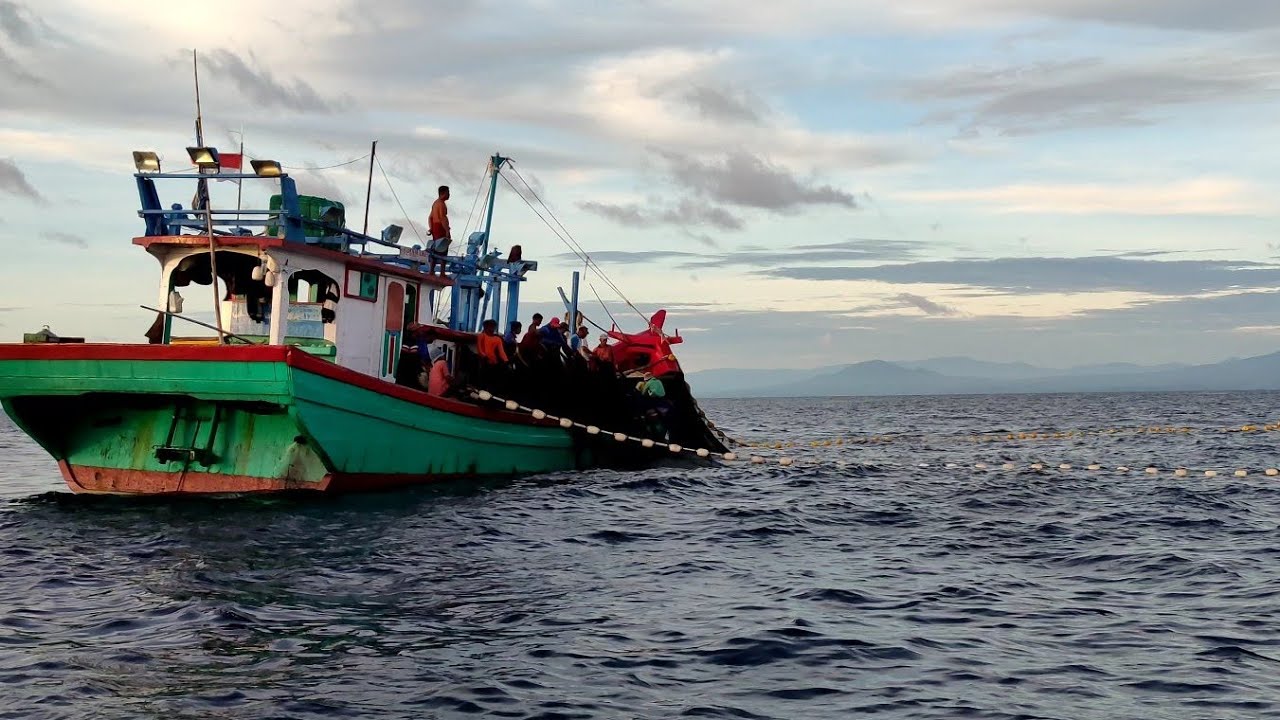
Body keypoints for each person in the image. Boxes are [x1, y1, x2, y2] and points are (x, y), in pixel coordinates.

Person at [427, 185, 451, 275]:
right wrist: (447, 230)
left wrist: (431, 228)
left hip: (435, 228)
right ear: (443, 193)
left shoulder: (435, 203)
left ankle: (431, 270)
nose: (449, 194)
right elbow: (442, 218)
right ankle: (442, 272)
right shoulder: (441, 204)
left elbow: (430, 217)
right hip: (440, 228)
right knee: (443, 249)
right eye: (448, 192)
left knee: (435, 249)